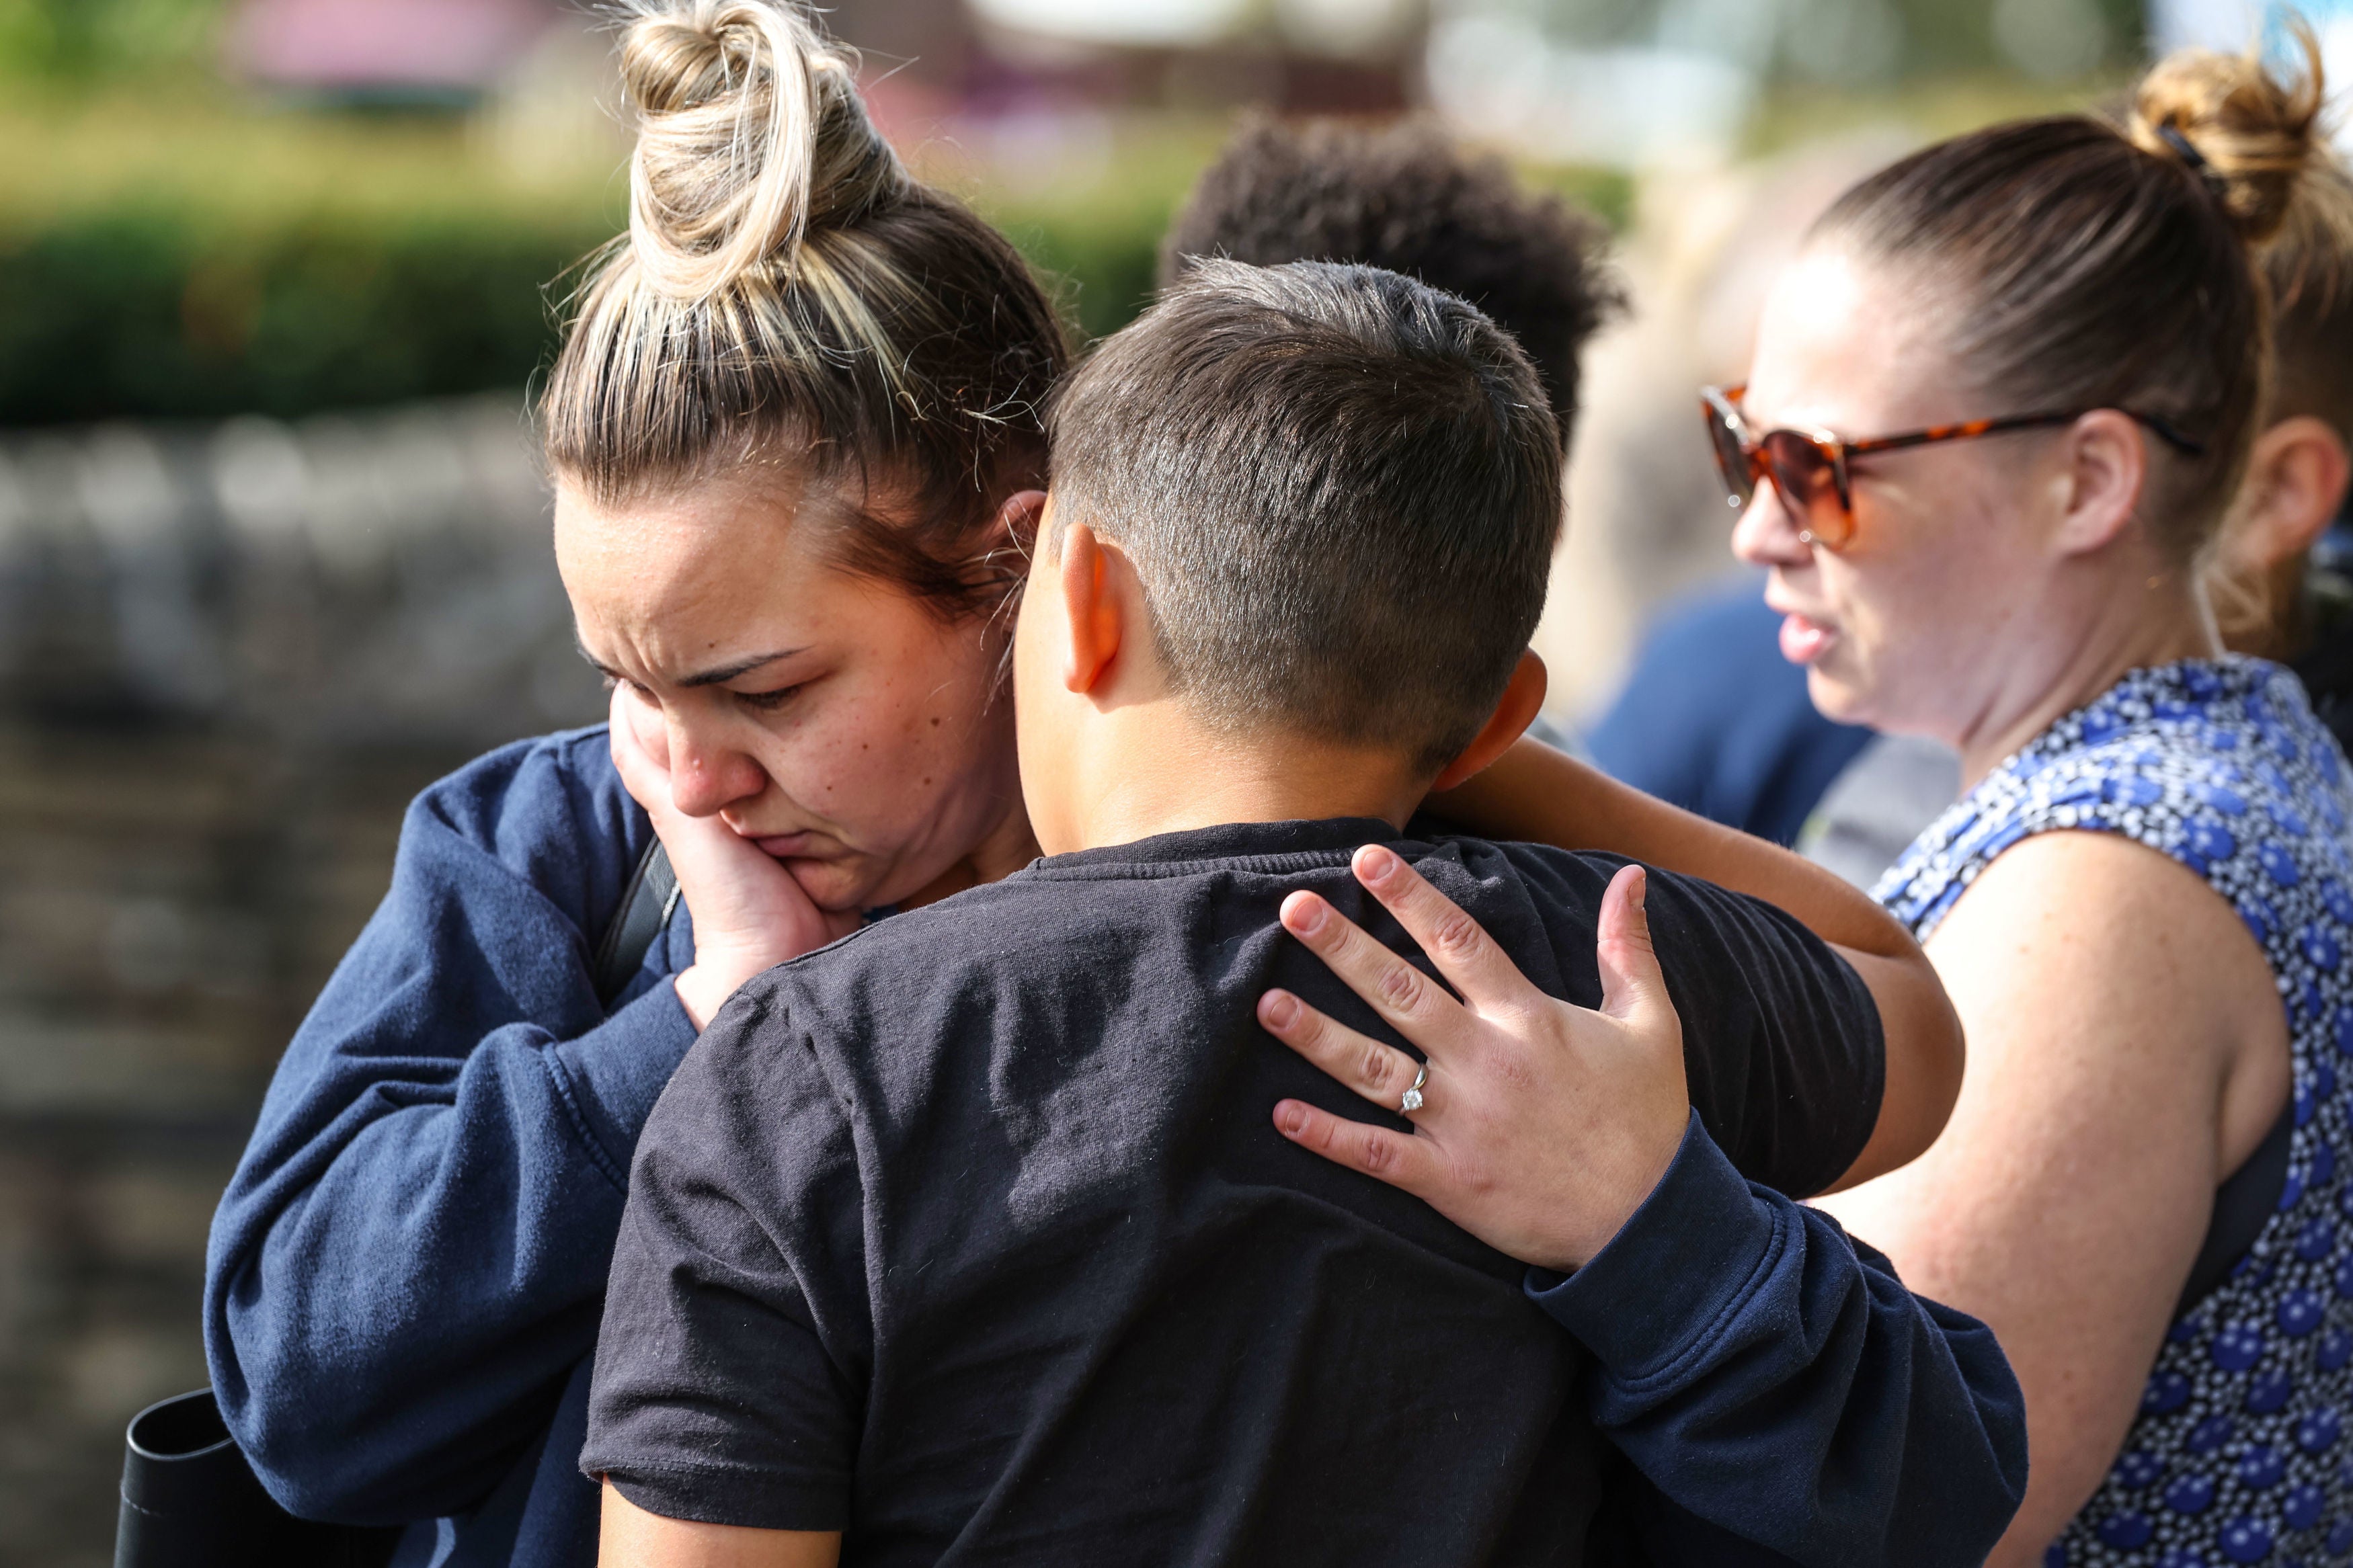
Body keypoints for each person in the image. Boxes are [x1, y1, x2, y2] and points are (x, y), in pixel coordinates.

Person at [200, 5, 1962, 1565]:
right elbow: (302, 1390)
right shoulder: (562, 842)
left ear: (1027, 574)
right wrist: (692, 1017)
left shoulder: (1374, 861)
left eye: (762, 684)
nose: (678, 760)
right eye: (620, 675)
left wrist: (1472, 757)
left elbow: (1877, 1077)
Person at [582, 258, 2026, 1568]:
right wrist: (1435, 712)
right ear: (1504, 719)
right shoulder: (1582, 992)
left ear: (1073, 593)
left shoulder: (806, 1074)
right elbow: (1895, 992)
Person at [1269, 34, 2353, 1568]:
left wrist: (1628, 1208)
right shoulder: (2186, 785)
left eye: (1819, 466)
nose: (1758, 528)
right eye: (1737, 443)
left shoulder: (2114, 891)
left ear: (2090, 483)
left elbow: (1902, 1504)